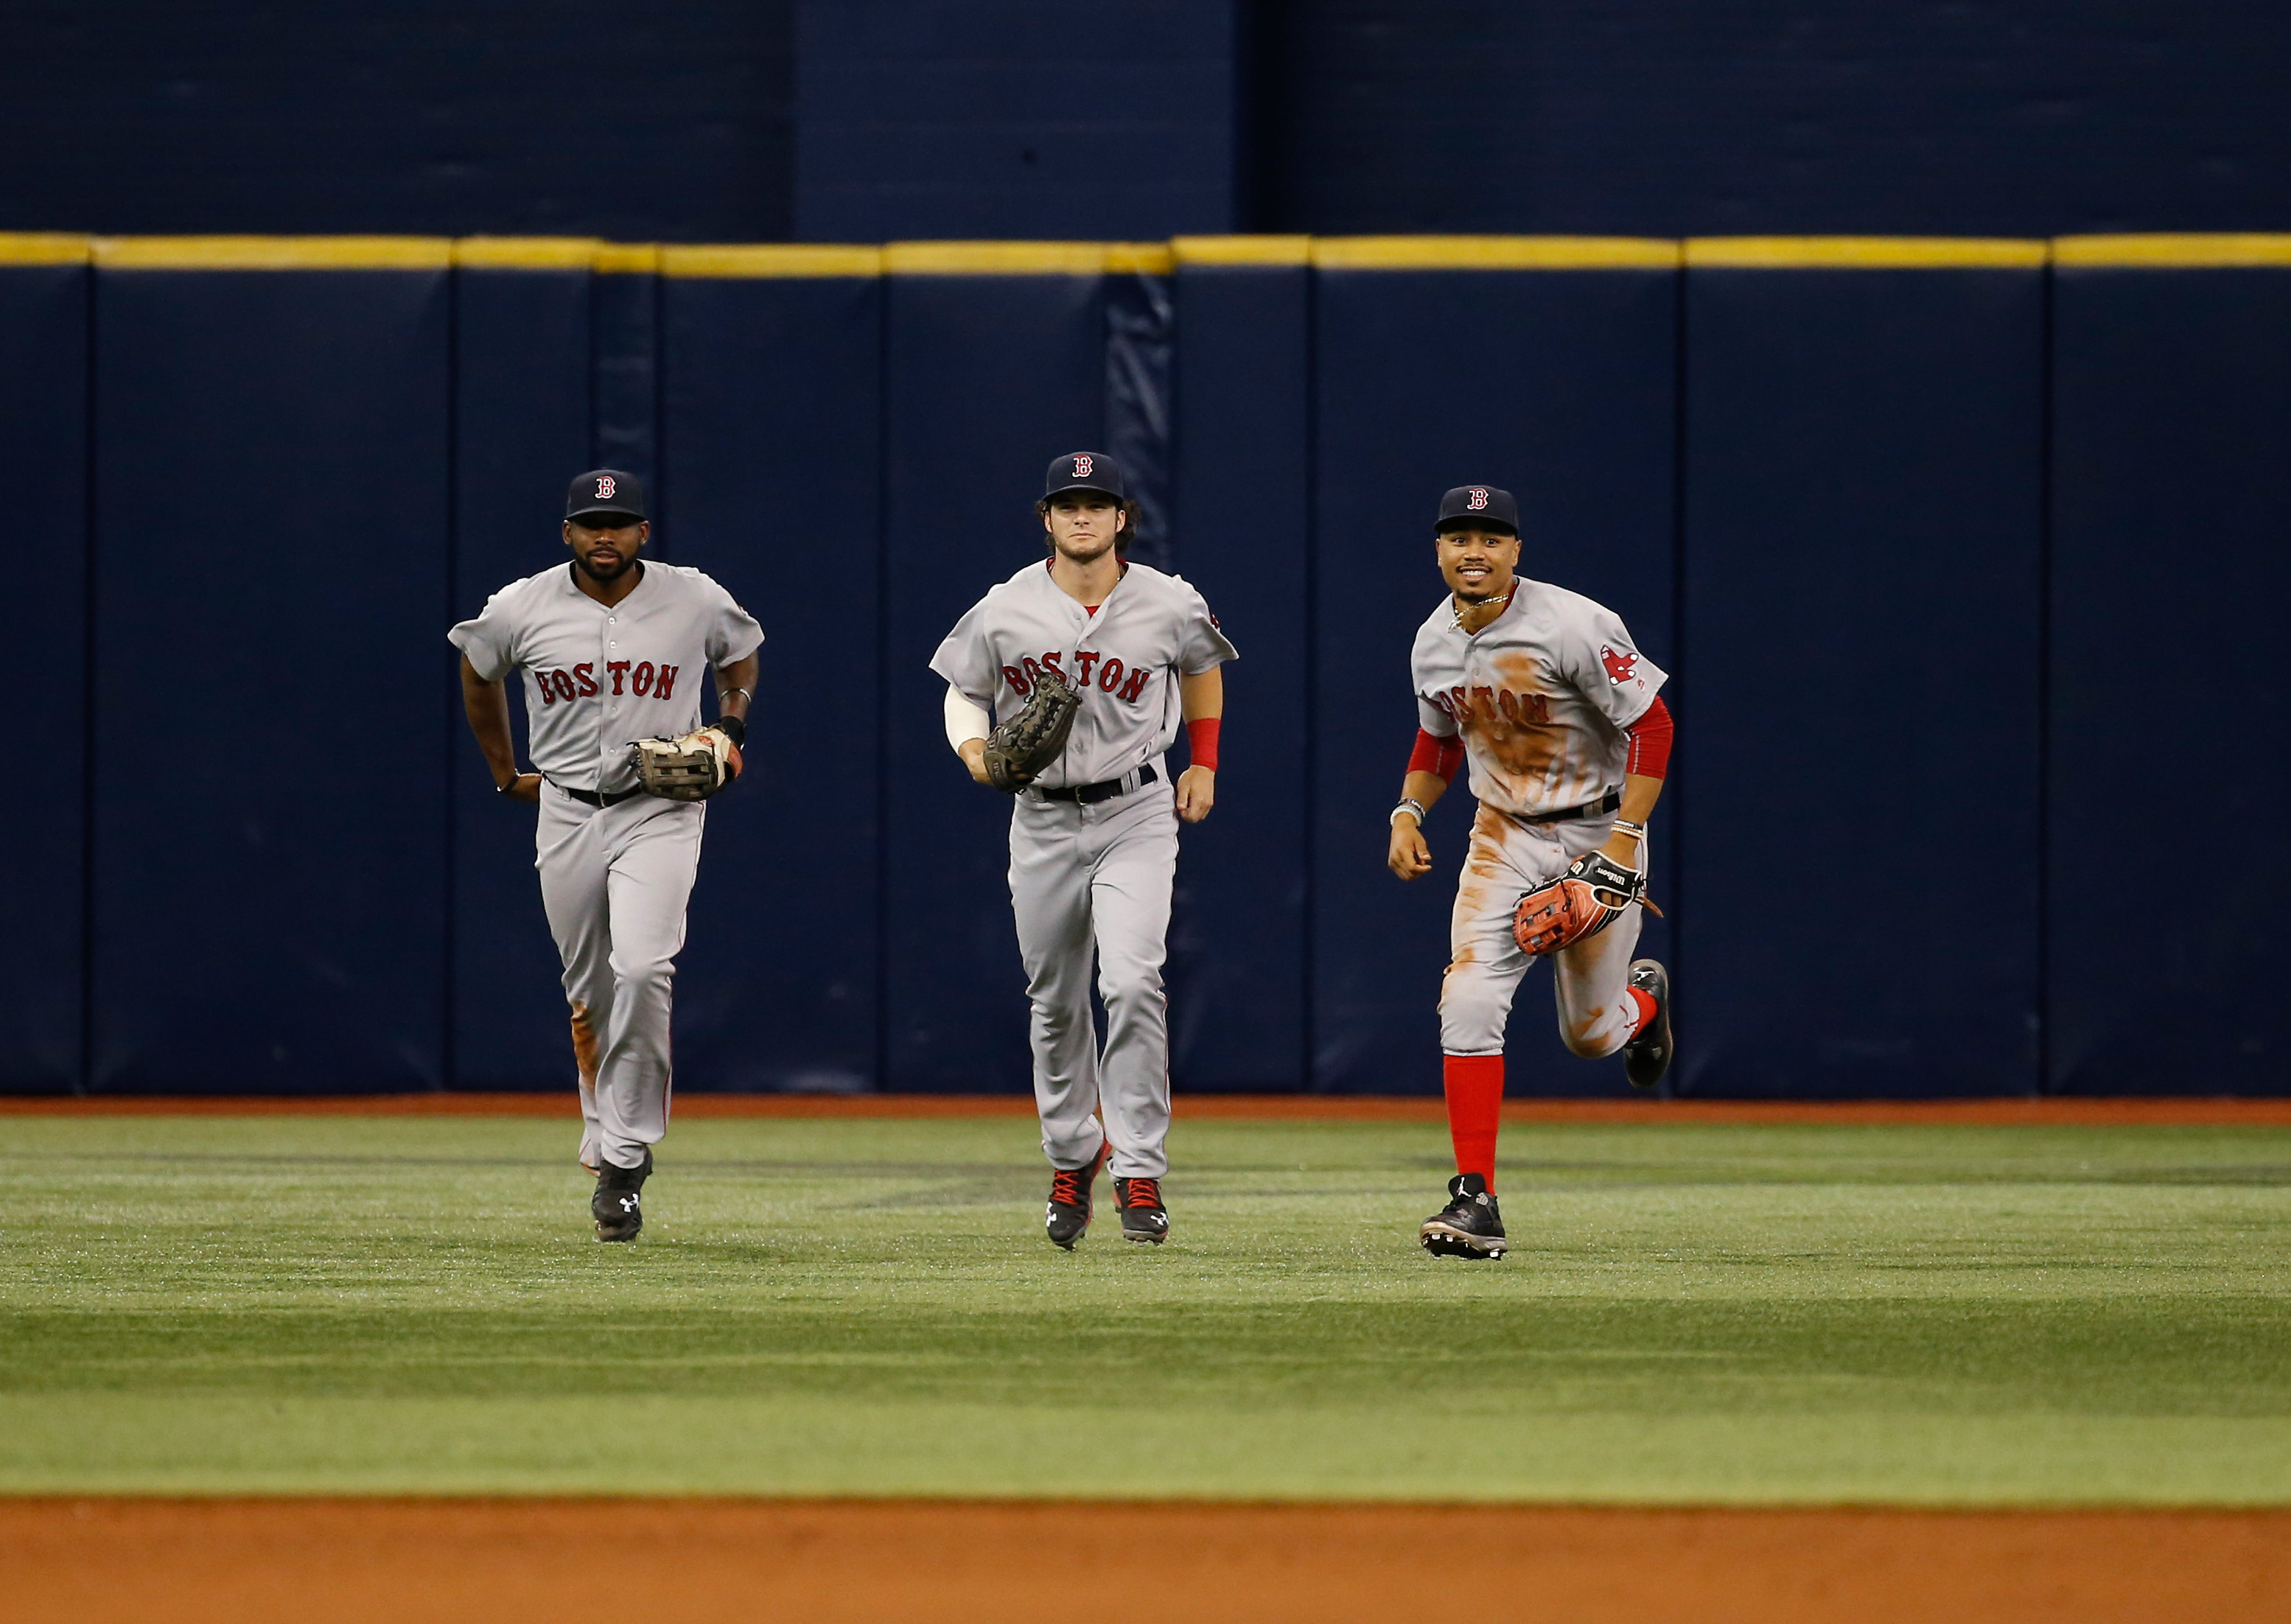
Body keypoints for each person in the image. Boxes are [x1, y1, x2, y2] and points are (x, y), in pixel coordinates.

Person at [931, 452, 1237, 1247]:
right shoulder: (1006, 607)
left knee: (1133, 981)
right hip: (1039, 818)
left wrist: (1202, 759)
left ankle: (1138, 1167)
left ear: (1121, 517)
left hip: (1135, 808)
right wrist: (973, 750)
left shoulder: (1169, 602)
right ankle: (1073, 1153)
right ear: (1046, 518)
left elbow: (1201, 666)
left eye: (1096, 504)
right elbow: (962, 686)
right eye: (1067, 504)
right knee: (1054, 997)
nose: (1081, 516)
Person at [450, 469, 763, 1242]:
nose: (604, 534)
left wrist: (731, 722)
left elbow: (742, 652)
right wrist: (501, 769)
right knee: (589, 988)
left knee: (644, 967)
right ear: (566, 533)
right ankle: (602, 1126)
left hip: (661, 805)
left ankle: (624, 1157)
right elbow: (476, 668)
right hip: (564, 806)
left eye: (619, 522)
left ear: (643, 532)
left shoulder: (693, 596)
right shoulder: (519, 605)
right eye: (590, 522)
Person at [1389, 484, 1676, 1260]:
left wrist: (1621, 847)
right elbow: (1440, 738)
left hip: (1599, 826)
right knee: (1468, 999)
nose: (1472, 549)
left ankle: (1641, 1005)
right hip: (1501, 835)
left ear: (1516, 550)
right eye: (1457, 535)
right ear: (1438, 549)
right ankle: (1473, 1196)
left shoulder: (1572, 623)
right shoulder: (1430, 639)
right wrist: (1408, 812)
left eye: (1489, 536)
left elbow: (1652, 724)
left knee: (1588, 1036)